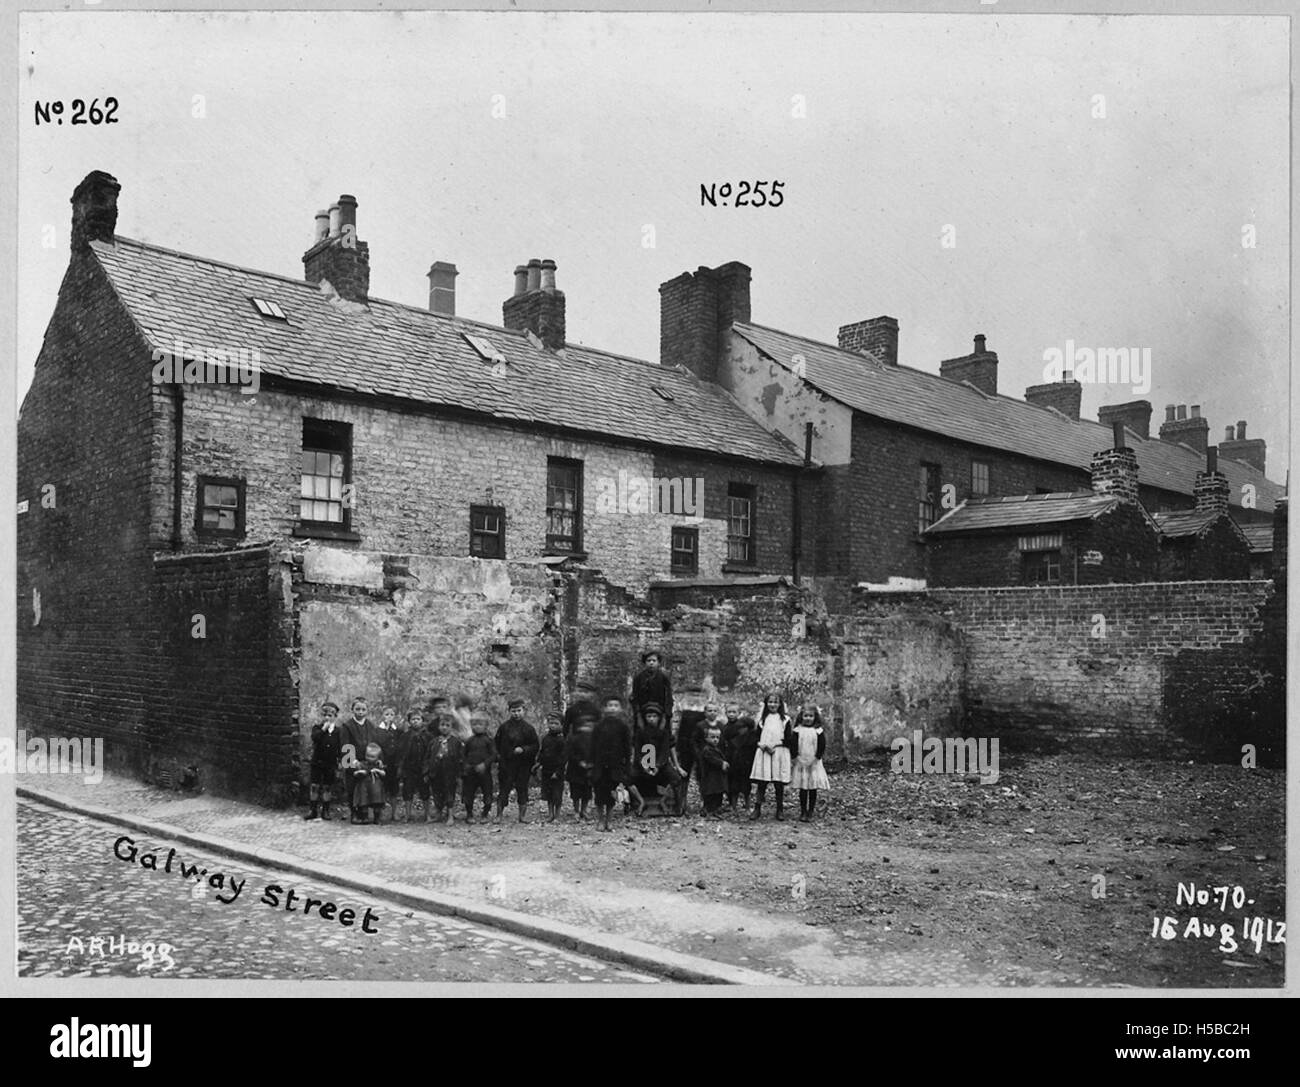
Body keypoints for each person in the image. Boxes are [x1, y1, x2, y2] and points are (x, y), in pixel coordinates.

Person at [591, 695, 633, 831]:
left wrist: (626, 766)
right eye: (610, 705)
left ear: (620, 709)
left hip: (615, 765)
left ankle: (609, 820)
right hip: (600, 765)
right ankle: (600, 819)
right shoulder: (598, 726)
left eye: (616, 706)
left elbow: (627, 748)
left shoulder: (623, 727)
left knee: (611, 795)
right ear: (605, 708)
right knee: (599, 794)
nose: (613, 708)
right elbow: (592, 745)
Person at [749, 692, 794, 821]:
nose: (773, 704)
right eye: (770, 702)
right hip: (764, 753)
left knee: (778, 783)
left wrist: (776, 745)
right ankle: (757, 808)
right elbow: (756, 737)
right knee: (762, 782)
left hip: (778, 753)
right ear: (766, 704)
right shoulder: (762, 720)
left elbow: (789, 739)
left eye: (775, 702)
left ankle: (780, 809)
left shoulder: (785, 720)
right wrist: (760, 744)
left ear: (780, 704)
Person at [632, 702, 683, 815]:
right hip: (643, 765)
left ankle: (664, 801)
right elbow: (638, 751)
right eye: (649, 716)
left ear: (659, 718)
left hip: (660, 764)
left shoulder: (663, 733)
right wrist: (644, 765)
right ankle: (640, 802)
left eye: (654, 716)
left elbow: (664, 751)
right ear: (645, 718)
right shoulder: (640, 733)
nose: (651, 719)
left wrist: (657, 766)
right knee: (628, 778)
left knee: (676, 779)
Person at [495, 699, 540, 823]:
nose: (516, 714)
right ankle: (499, 815)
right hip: (507, 764)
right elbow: (496, 744)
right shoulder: (504, 728)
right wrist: (500, 757)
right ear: (509, 711)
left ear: (523, 711)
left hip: (523, 765)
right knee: (504, 788)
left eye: (519, 711)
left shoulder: (529, 728)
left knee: (522, 789)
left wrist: (524, 749)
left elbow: (535, 746)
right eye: (513, 711)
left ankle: (522, 816)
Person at [340, 697, 379, 823]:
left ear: (367, 711)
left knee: (365, 787)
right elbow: (345, 745)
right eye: (357, 709)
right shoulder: (347, 726)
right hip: (353, 761)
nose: (360, 712)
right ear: (352, 710)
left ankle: (364, 813)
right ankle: (354, 813)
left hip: (367, 761)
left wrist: (374, 759)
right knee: (353, 787)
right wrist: (353, 761)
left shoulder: (371, 726)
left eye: (363, 709)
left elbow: (374, 744)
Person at [790, 705, 830, 822]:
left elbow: (822, 746)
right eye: (805, 716)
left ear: (815, 717)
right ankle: (803, 811)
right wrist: (795, 757)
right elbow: (793, 745)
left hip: (814, 762)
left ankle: (810, 811)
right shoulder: (797, 730)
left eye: (811, 716)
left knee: (812, 788)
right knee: (803, 788)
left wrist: (816, 758)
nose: (808, 718)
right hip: (801, 761)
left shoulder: (818, 731)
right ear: (801, 717)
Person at [305, 700, 342, 821]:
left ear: (334, 717)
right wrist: (323, 729)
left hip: (330, 763)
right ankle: (313, 809)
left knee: (327, 786)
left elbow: (339, 747)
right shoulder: (317, 728)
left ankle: (326, 810)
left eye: (330, 716)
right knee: (314, 785)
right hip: (317, 762)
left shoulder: (337, 731)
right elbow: (315, 738)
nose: (327, 718)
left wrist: (340, 761)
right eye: (324, 715)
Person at [425, 714, 463, 824]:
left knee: (449, 793)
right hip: (436, 772)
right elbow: (427, 757)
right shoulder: (434, 741)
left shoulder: (456, 742)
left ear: (451, 727)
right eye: (442, 725)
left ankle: (450, 815)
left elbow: (460, 758)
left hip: (450, 772)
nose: (444, 727)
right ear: (438, 726)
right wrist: (426, 772)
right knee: (437, 793)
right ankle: (438, 814)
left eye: (447, 725)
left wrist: (459, 774)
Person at [396, 709, 432, 823]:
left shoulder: (428, 736)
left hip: (423, 768)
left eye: (418, 719)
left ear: (422, 721)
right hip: (409, 768)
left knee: (425, 792)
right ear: (409, 722)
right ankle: (407, 814)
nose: (415, 721)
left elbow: (431, 752)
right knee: (407, 791)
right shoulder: (405, 736)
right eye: (413, 719)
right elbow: (401, 752)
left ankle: (427, 815)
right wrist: (401, 768)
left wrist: (428, 768)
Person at [722, 705, 758, 813]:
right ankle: (733, 806)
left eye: (734, 712)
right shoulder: (727, 728)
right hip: (733, 761)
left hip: (746, 762)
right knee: (733, 785)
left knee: (746, 785)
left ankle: (747, 806)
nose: (732, 714)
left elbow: (753, 747)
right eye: (729, 712)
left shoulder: (749, 732)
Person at [461, 715, 496, 825]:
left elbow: (494, 755)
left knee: (487, 793)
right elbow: (463, 755)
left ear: (486, 726)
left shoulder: (489, 741)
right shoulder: (469, 741)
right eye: (474, 724)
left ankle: (485, 814)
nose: (477, 727)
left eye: (480, 724)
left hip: (484, 772)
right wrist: (465, 765)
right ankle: (469, 814)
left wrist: (485, 764)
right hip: (470, 772)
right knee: (469, 793)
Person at [564, 708, 597, 820]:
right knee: (576, 792)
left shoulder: (594, 738)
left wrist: (592, 762)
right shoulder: (573, 738)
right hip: (575, 769)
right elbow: (569, 753)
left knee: (587, 791)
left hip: (589, 769)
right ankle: (576, 810)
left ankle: (584, 810)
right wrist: (579, 761)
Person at [630, 650, 673, 731]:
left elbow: (668, 698)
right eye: (649, 661)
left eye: (654, 660)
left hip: (660, 712)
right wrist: (638, 715)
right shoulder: (638, 678)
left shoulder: (664, 678)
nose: (651, 663)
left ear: (658, 663)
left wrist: (666, 716)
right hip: (643, 713)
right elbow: (635, 697)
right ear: (645, 663)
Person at [537, 714, 567, 822]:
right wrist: (538, 764)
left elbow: (564, 758)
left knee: (557, 794)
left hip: (557, 771)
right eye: (551, 723)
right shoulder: (546, 738)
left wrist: (558, 772)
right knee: (548, 793)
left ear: (561, 725)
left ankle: (557, 815)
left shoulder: (562, 740)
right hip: (546, 770)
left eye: (556, 723)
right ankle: (550, 814)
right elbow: (542, 752)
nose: (553, 726)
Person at [696, 725, 729, 818]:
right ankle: (708, 811)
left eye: (717, 737)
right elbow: (711, 759)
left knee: (718, 793)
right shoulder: (707, 750)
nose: (715, 740)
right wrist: (721, 763)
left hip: (717, 777)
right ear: (706, 738)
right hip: (710, 777)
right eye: (712, 737)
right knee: (710, 795)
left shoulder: (716, 749)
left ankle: (715, 810)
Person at [376, 705, 402, 822]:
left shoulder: (398, 730)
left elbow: (400, 747)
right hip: (383, 762)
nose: (389, 717)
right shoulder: (378, 730)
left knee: (394, 789)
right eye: (386, 714)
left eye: (391, 714)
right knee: (382, 788)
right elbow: (377, 745)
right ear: (382, 716)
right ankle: (381, 813)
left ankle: (394, 812)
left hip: (394, 764)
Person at [352, 741, 387, 825]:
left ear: (378, 757)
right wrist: (360, 772)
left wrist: (377, 770)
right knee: (364, 801)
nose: (369, 758)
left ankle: (377, 818)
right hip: (364, 786)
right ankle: (365, 817)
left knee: (377, 801)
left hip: (375, 786)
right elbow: (355, 773)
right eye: (367, 755)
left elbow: (384, 773)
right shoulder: (362, 764)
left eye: (372, 757)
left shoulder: (378, 765)